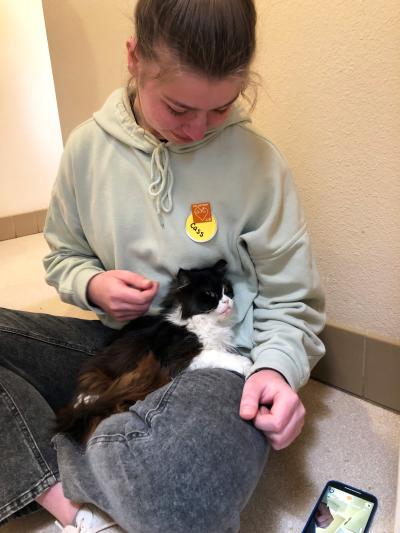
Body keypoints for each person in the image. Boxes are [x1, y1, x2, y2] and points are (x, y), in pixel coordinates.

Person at [0, 1, 326, 532]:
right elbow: (63, 257)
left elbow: (291, 302)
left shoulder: (259, 163)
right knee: (156, 482)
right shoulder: (86, 151)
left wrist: (275, 370)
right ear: (134, 59)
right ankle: (70, 502)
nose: (198, 131)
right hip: (124, 346)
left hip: (218, 362)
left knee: (178, 493)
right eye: (178, 108)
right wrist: (92, 283)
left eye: (221, 109)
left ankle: (60, 447)